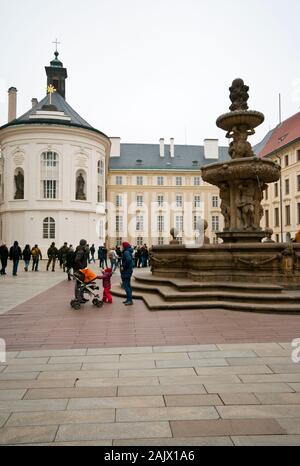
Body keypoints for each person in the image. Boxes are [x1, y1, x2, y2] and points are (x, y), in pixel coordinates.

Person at [121, 242, 134, 306]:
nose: (121, 247)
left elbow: (128, 260)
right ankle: (129, 299)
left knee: (126, 286)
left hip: (126, 271)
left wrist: (124, 266)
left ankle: (130, 300)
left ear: (124, 246)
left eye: (122, 246)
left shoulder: (126, 252)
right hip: (128, 270)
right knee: (128, 285)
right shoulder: (128, 251)